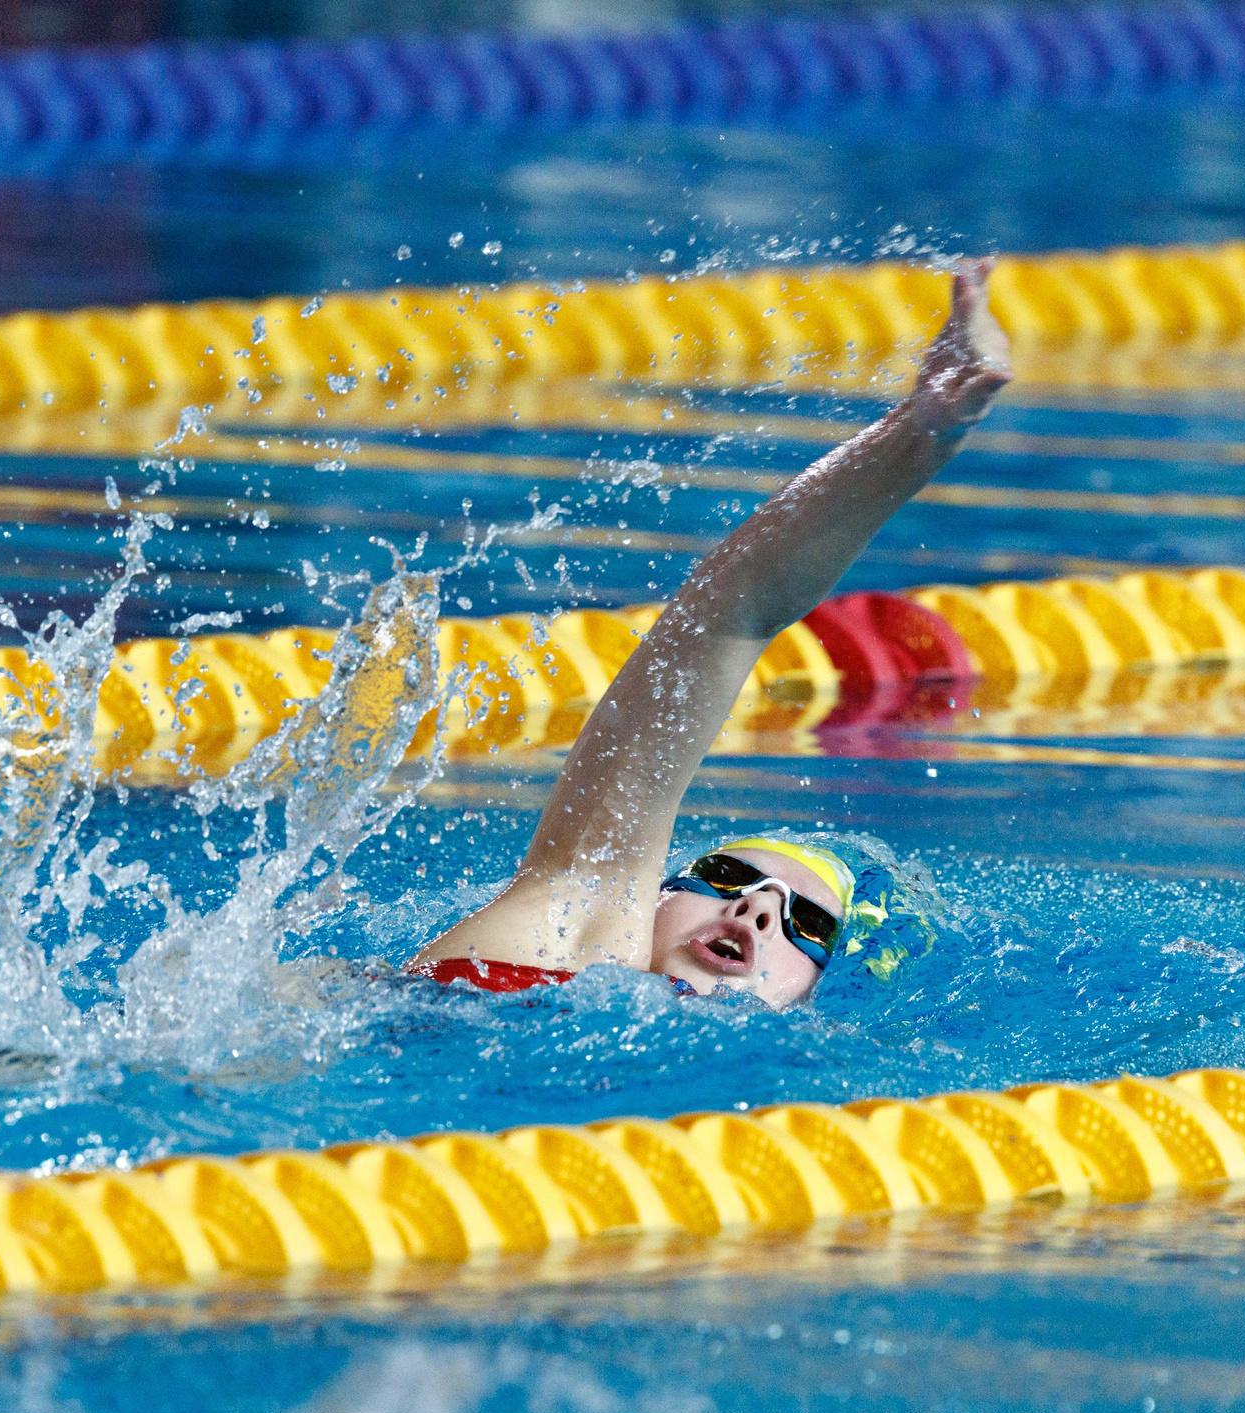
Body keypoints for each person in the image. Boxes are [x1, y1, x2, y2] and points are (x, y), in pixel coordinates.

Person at [409, 260, 1013, 1007]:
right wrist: (923, 429)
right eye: (725, 877)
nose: (757, 907)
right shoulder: (568, 933)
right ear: (656, 895)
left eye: (808, 925)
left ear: (822, 993)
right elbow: (730, 609)